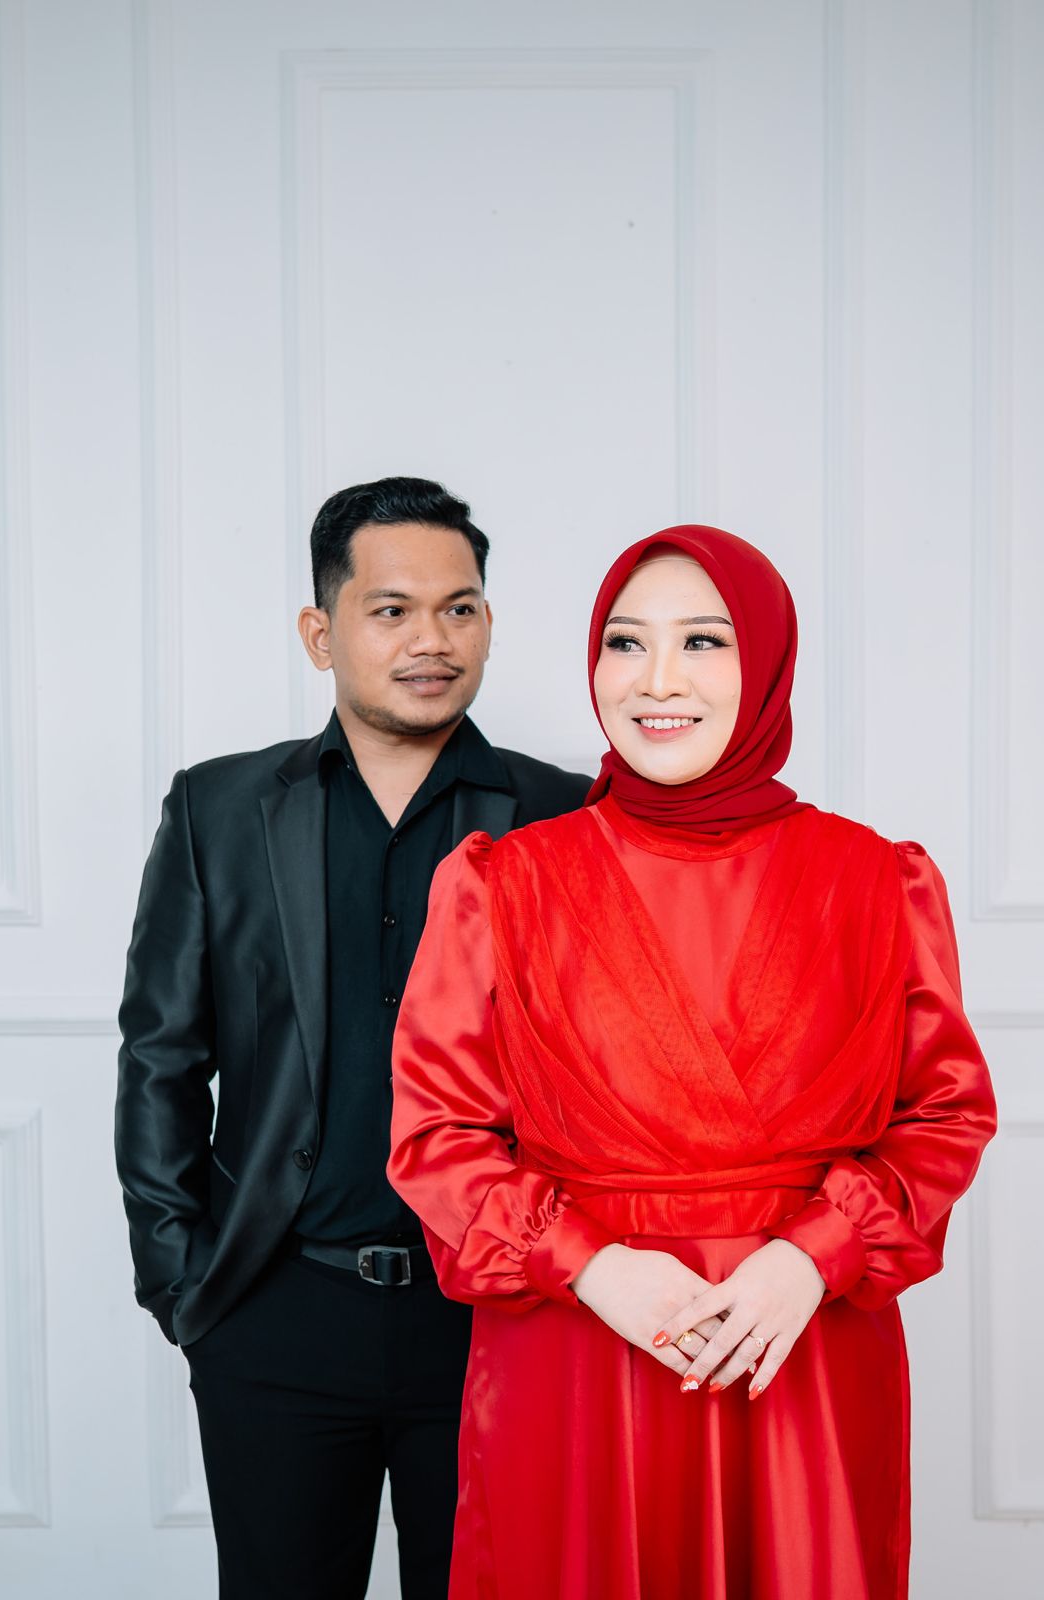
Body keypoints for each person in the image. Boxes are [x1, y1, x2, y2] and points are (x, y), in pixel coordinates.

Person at [388, 523, 996, 1600]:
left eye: (702, 641)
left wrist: (810, 1256)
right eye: (624, 643)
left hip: (798, 1347)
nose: (655, 679)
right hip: (576, 1350)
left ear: (767, 667)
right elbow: (436, 1135)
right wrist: (590, 1265)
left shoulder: (877, 880)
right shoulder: (501, 884)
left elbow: (944, 1115)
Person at [115, 476, 590, 1600]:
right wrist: (183, 1286)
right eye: (391, 610)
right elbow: (161, 1059)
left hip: (498, 1322)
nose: (432, 640)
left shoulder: (566, 815)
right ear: (321, 633)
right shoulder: (220, 810)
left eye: (459, 608)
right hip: (276, 1310)